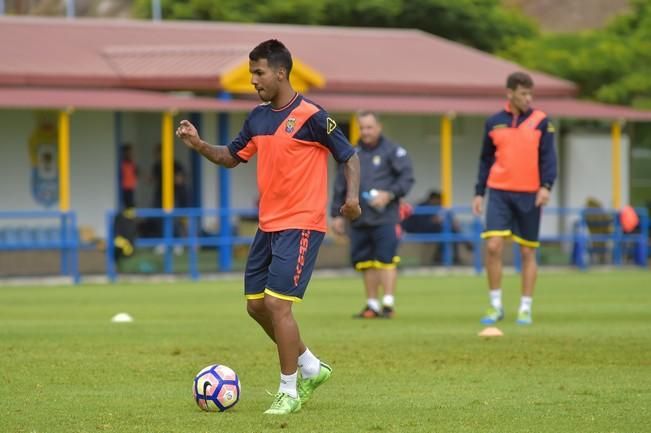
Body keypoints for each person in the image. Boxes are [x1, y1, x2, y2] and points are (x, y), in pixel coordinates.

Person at [176, 39, 361, 415]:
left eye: (259, 73)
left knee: (277, 304)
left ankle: (289, 390)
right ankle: (310, 365)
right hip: (269, 224)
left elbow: (349, 155)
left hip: (303, 223)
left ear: (280, 72)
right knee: (256, 306)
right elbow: (231, 156)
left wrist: (352, 198)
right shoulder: (257, 117)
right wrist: (198, 144)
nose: (253, 81)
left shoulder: (312, 115)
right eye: (251, 74)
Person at [472, 71, 557, 326]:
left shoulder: (542, 121)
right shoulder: (494, 122)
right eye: (523, 94)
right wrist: (479, 192)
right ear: (509, 93)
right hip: (499, 192)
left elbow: (548, 158)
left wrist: (546, 186)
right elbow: (485, 160)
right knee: (493, 245)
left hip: (530, 194)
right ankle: (496, 305)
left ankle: (525, 307)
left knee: (527, 251)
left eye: (531, 93)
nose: (528, 98)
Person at [331, 111, 414, 319]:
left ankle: (388, 304)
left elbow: (407, 178)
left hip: (386, 217)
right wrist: (337, 214)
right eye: (362, 128)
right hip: (359, 217)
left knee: (386, 260)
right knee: (365, 261)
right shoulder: (351, 153)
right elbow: (341, 185)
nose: (365, 132)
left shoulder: (393, 151)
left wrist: (390, 194)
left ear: (379, 127)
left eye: (369, 127)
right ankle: (372, 305)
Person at [401, 189, 466, 265]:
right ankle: (439, 257)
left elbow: (449, 217)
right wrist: (434, 220)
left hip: (434, 230)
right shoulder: (422, 206)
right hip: (418, 231)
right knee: (444, 231)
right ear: (433, 199)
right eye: (439, 200)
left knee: (451, 230)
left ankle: (455, 257)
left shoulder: (439, 207)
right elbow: (421, 225)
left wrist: (452, 222)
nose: (440, 202)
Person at [120, 143, 138, 209]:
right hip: (124, 188)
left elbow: (136, 173)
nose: (130, 154)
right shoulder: (121, 163)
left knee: (130, 205)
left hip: (131, 187)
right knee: (127, 205)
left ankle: (130, 218)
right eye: (128, 152)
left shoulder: (132, 163)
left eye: (130, 152)